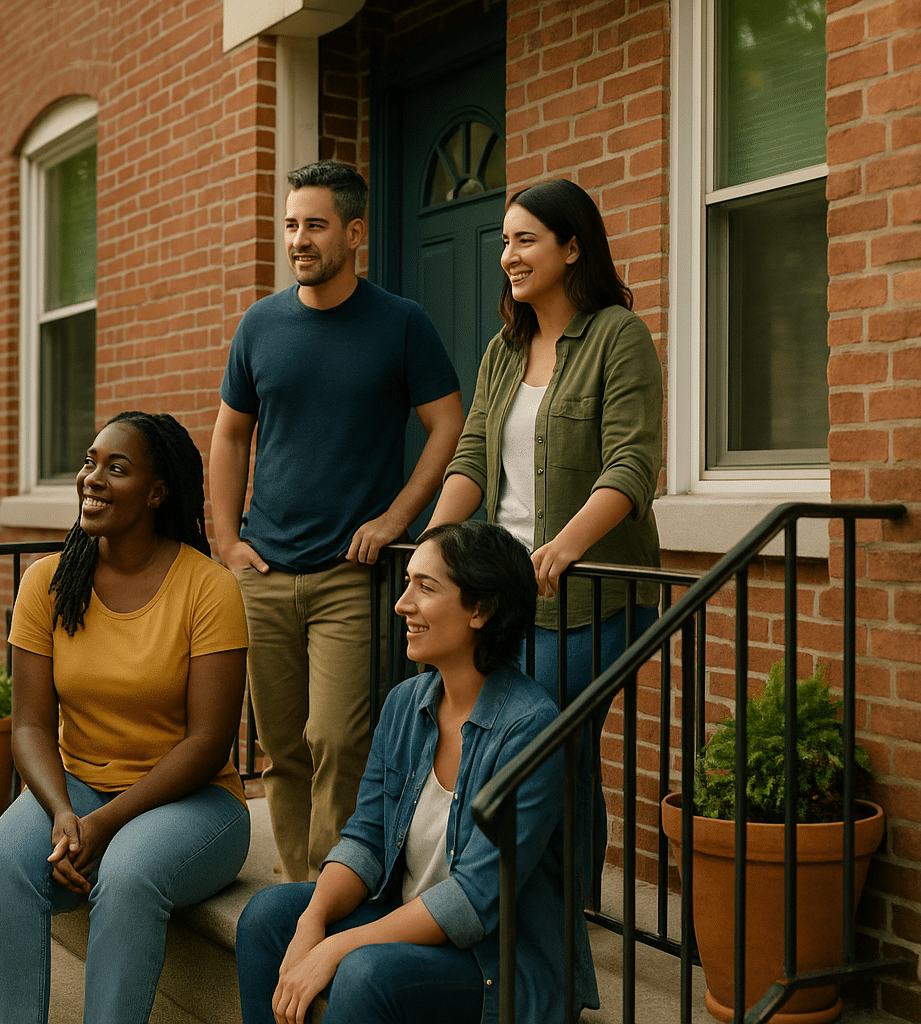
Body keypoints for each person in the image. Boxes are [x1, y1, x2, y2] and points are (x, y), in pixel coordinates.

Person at [210, 160, 465, 882]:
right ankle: (299, 885)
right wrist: (227, 541)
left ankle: (336, 885)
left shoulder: (401, 323)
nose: (299, 239)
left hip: (347, 577)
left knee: (340, 737)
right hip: (264, 572)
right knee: (283, 745)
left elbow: (448, 425)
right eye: (291, 224)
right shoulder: (259, 324)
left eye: (315, 225)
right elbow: (229, 436)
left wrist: (396, 517)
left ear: (354, 232)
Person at [235, 522, 599, 1024]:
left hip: (496, 959)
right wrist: (312, 923)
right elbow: (365, 837)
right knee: (267, 918)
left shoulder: (531, 732)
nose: (402, 603)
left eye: (425, 588)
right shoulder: (407, 704)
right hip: (410, 919)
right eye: (407, 583)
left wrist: (337, 947)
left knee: (365, 971)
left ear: (481, 610)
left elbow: (473, 899)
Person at [0, 411, 251, 1024]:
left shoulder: (208, 588)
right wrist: (66, 813)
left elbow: (208, 742)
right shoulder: (46, 583)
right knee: (0, 867)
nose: (92, 479)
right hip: (77, 785)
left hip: (195, 801)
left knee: (124, 876)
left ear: (157, 493)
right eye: (90, 462)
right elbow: (30, 727)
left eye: (116, 468)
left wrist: (103, 824)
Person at [428, 177, 663, 897]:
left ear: (571, 247)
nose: (508, 255)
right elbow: (472, 455)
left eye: (525, 239)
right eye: (504, 240)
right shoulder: (506, 348)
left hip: (588, 599)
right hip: (506, 594)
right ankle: (515, 914)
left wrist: (565, 545)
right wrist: (436, 542)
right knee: (511, 755)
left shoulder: (618, 336)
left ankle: (560, 927)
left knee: (553, 756)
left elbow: (632, 461)